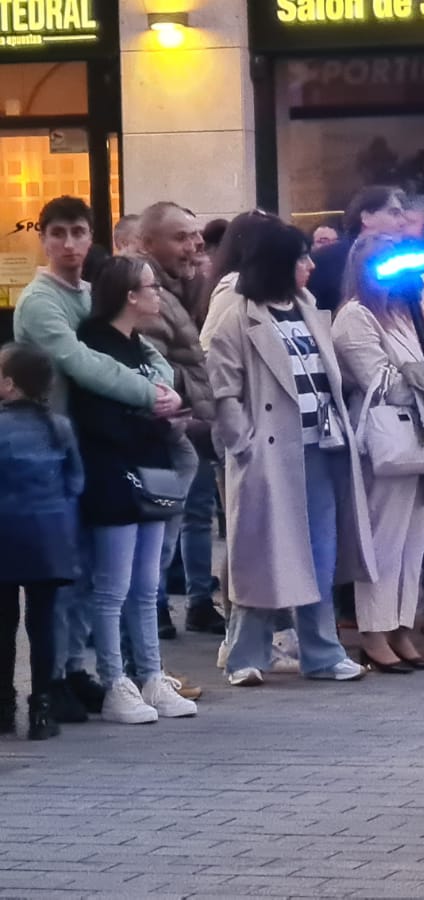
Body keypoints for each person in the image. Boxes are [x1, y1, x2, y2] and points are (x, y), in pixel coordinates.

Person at [13, 196, 182, 724]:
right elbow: (80, 361)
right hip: (57, 448)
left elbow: (141, 348)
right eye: (58, 233)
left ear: (91, 237)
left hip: (104, 446)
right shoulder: (40, 301)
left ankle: (85, 670)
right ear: (43, 238)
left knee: (101, 577)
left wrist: (163, 386)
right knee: (74, 575)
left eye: (78, 233)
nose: (69, 244)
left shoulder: (90, 294)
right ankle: (61, 676)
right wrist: (151, 393)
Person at [206, 218, 374, 686]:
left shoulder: (309, 308)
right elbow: (223, 390)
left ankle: (322, 652)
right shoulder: (237, 315)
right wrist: (244, 444)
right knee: (263, 557)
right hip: (268, 454)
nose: (310, 265)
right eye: (301, 257)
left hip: (320, 447)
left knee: (319, 554)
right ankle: (244, 655)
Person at [72, 257, 198, 723]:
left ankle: (151, 675)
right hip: (111, 475)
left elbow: (162, 398)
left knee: (147, 586)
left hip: (151, 469)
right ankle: (114, 681)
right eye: (150, 287)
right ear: (129, 295)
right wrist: (150, 416)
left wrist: (157, 413)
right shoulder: (93, 344)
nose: (157, 294)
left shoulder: (139, 346)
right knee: (112, 588)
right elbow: (99, 418)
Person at [332, 235, 424, 673]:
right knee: (383, 539)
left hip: (420, 436)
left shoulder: (401, 313)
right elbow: (381, 382)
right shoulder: (355, 316)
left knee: (412, 541)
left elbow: (422, 371)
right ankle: (373, 632)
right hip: (384, 437)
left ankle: (401, 626)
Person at [136, 202, 225, 639]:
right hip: (164, 432)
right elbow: (153, 370)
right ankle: (152, 613)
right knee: (159, 529)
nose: (193, 246)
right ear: (147, 243)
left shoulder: (183, 287)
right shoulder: (146, 292)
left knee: (192, 517)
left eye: (194, 236)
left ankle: (193, 603)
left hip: (190, 427)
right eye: (180, 238)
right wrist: (192, 396)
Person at [0, 344, 83, 739]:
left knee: (3, 624)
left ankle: (4, 706)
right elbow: (75, 483)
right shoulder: (58, 426)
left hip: (5, 533)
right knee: (43, 623)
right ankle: (42, 710)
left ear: (9, 384)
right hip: (49, 538)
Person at [305, 186, 407, 312]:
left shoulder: (402, 261)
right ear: (366, 217)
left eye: (402, 215)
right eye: (394, 213)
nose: (403, 222)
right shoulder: (324, 261)